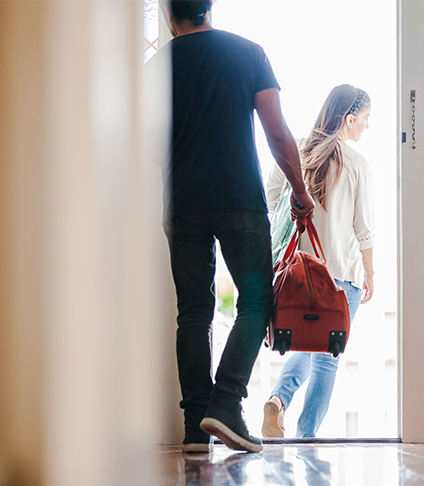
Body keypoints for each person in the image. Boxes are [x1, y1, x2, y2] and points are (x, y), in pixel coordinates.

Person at [162, 0, 314, 453]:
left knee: (192, 311)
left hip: (182, 202)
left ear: (171, 13)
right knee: (256, 301)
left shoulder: (156, 67)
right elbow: (278, 133)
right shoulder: (248, 53)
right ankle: (225, 403)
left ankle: (194, 427)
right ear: (209, 8)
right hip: (239, 200)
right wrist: (299, 190)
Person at [261, 84, 375, 439]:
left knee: (310, 343)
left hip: (300, 274)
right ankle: (306, 437)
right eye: (366, 120)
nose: (367, 127)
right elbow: (364, 229)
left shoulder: (296, 151)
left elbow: (272, 200)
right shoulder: (357, 164)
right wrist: (370, 273)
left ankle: (278, 401)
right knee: (327, 357)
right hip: (342, 275)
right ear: (349, 119)